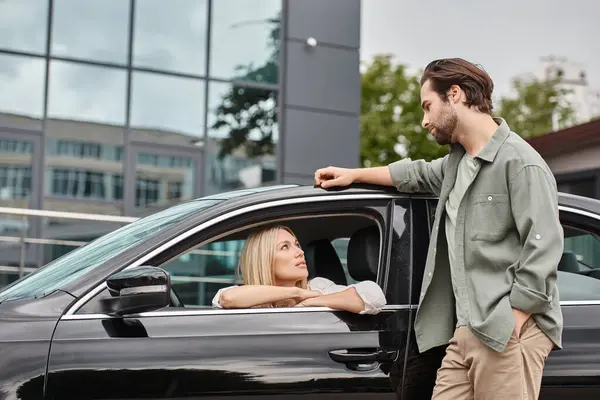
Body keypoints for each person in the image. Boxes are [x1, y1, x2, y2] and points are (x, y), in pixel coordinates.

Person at [314, 58, 563, 399]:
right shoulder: (457, 163)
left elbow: (544, 246)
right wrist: (353, 174)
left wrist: (512, 321)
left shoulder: (521, 162)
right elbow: (413, 174)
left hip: (505, 328)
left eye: (428, 106)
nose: (425, 120)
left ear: (455, 94)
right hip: (464, 332)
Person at [212, 225, 386, 314]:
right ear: (264, 260)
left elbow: (374, 296)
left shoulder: (318, 287)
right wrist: (295, 293)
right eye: (285, 247)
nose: (300, 252)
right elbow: (227, 298)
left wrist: (310, 302)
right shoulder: (250, 297)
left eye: (297, 245)